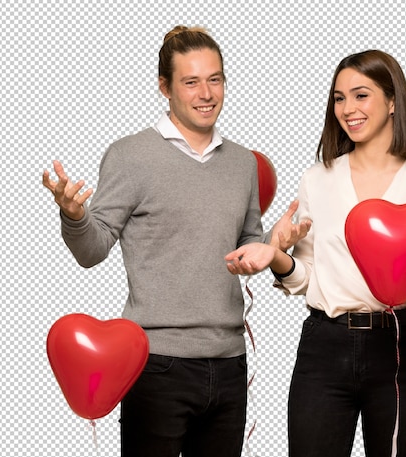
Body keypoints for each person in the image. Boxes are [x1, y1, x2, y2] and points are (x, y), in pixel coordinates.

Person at [42, 25, 307, 457]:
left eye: (215, 79)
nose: (206, 93)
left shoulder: (242, 163)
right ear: (164, 87)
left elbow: (245, 245)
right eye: (191, 82)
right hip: (156, 365)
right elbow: (93, 251)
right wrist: (74, 216)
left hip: (228, 363)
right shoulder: (131, 155)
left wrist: (275, 245)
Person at [225, 50, 406, 457]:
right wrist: (277, 256)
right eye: (339, 98)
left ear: (392, 101)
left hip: (400, 349)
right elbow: (307, 277)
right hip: (325, 349)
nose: (348, 109)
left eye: (360, 95)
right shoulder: (317, 180)